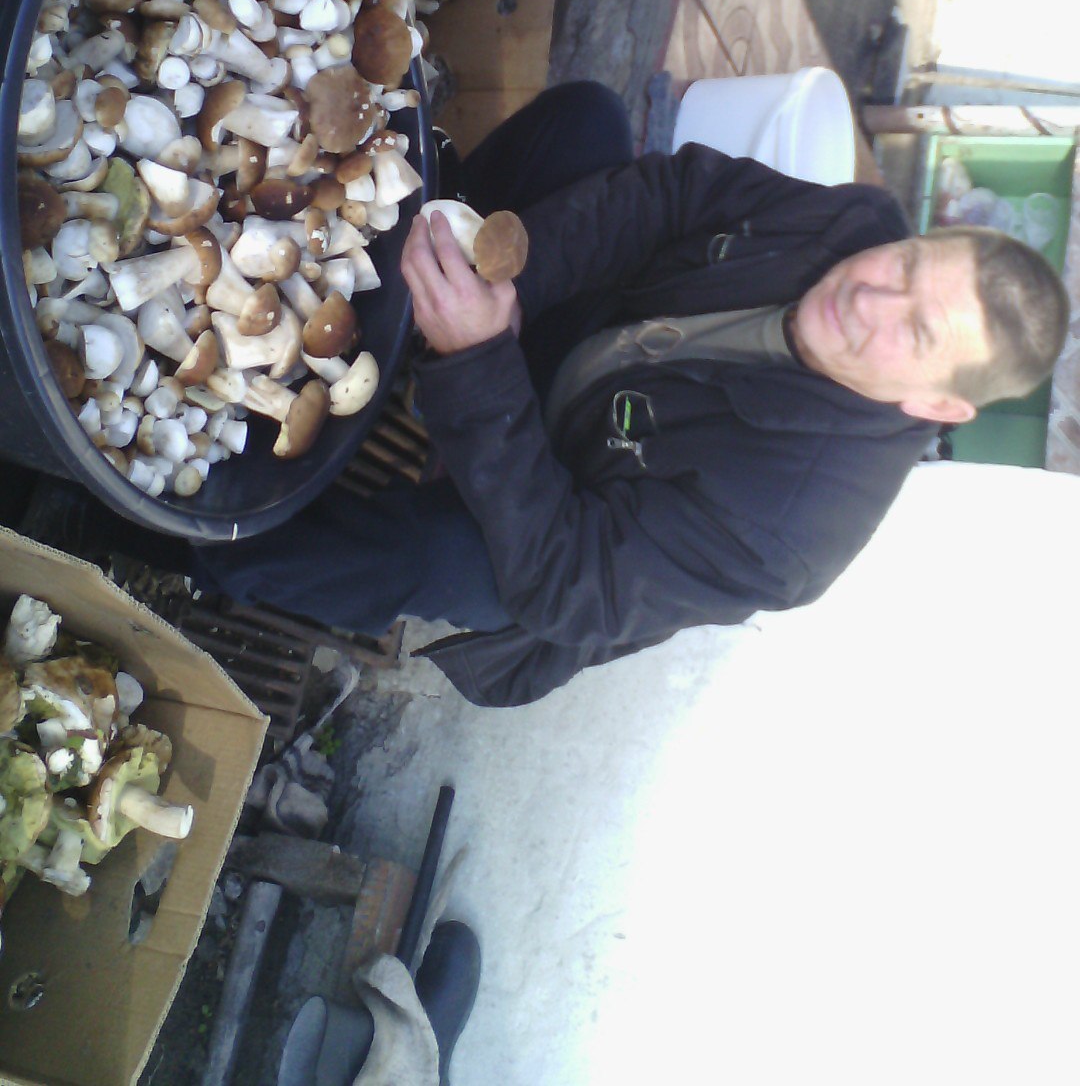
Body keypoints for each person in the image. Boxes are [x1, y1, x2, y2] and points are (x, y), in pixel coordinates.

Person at [183, 82, 1068, 708]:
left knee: (446, 563)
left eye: (913, 333)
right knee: (588, 121)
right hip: (559, 340)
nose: (869, 297)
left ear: (936, 407)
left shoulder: (792, 537)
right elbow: (673, 198)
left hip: (548, 500)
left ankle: (204, 538)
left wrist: (481, 363)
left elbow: (569, 582)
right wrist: (508, 288)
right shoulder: (855, 223)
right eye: (909, 267)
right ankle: (370, 264)